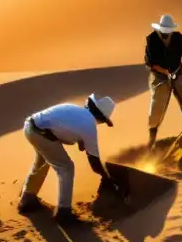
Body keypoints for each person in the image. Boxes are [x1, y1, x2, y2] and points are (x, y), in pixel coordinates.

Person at [18, 93, 119, 225]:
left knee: (43, 160)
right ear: (100, 117)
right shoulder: (89, 125)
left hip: (30, 127)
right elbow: (94, 162)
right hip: (43, 134)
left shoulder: (75, 110)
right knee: (66, 167)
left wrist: (81, 140)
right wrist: (107, 178)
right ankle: (64, 213)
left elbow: (62, 127)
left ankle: (27, 199)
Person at [144, 13, 182, 148]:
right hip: (160, 75)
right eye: (164, 32)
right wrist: (166, 72)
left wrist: (179, 67)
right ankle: (152, 137)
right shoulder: (152, 39)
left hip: (177, 73)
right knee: (157, 104)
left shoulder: (178, 37)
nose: (166, 34)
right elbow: (150, 63)